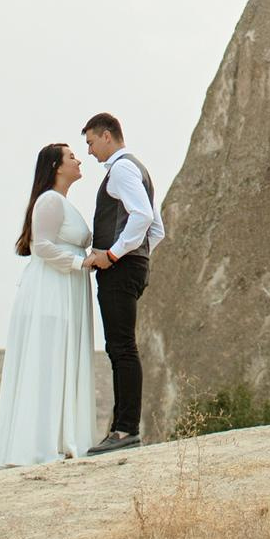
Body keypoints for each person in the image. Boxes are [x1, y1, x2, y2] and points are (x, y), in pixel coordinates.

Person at [0, 142, 97, 468]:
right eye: (71, 156)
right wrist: (81, 264)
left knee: (59, 359)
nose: (79, 160)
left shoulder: (63, 203)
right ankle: (38, 444)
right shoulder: (49, 200)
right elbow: (42, 246)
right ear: (56, 166)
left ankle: (60, 437)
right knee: (47, 360)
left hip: (66, 288)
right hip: (51, 291)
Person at [82, 111, 164, 455]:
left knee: (121, 348)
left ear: (106, 136)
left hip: (119, 269)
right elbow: (157, 230)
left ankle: (124, 430)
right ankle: (123, 427)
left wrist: (114, 256)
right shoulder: (138, 169)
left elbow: (143, 217)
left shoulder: (121, 169)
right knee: (122, 347)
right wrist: (139, 256)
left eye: (90, 143)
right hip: (132, 267)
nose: (88, 152)